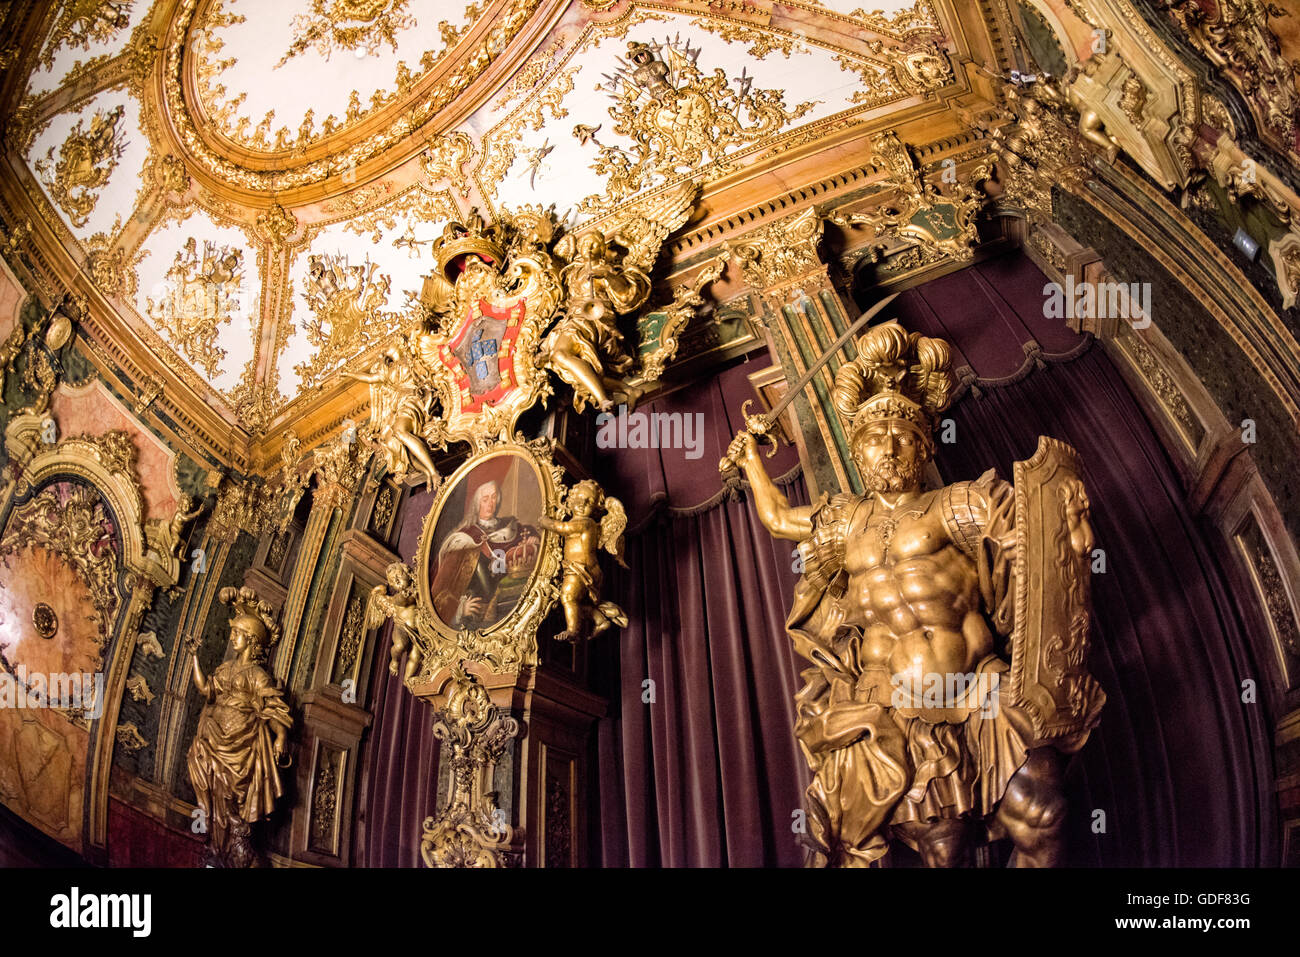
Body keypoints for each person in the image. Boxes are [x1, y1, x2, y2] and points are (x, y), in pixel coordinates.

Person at [722, 321, 1102, 867]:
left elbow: (1034, 535)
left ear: (925, 444)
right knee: (943, 852)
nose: (889, 448)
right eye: (875, 439)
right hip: (898, 707)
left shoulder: (958, 503)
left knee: (1043, 815)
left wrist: (1034, 547)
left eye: (903, 436)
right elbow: (780, 519)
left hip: (980, 690)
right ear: (859, 453)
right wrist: (751, 462)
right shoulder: (845, 522)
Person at [185, 586, 292, 868]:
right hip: (213, 737)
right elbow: (205, 688)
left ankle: (233, 849)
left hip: (240, 746)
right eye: (233, 633)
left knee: (233, 801)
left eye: (237, 634)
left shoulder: (257, 676)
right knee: (207, 783)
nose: (232, 638)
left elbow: (273, 709)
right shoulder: (224, 670)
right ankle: (216, 846)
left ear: (252, 640)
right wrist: (194, 658)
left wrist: (280, 737)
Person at [431, 479, 540, 630]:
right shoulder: (463, 540)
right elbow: (442, 592)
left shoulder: (510, 529)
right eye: (485, 499)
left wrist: (531, 542)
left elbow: (525, 546)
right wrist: (460, 610)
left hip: (509, 608)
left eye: (494, 497)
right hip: (478, 619)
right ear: (477, 504)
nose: (490, 503)